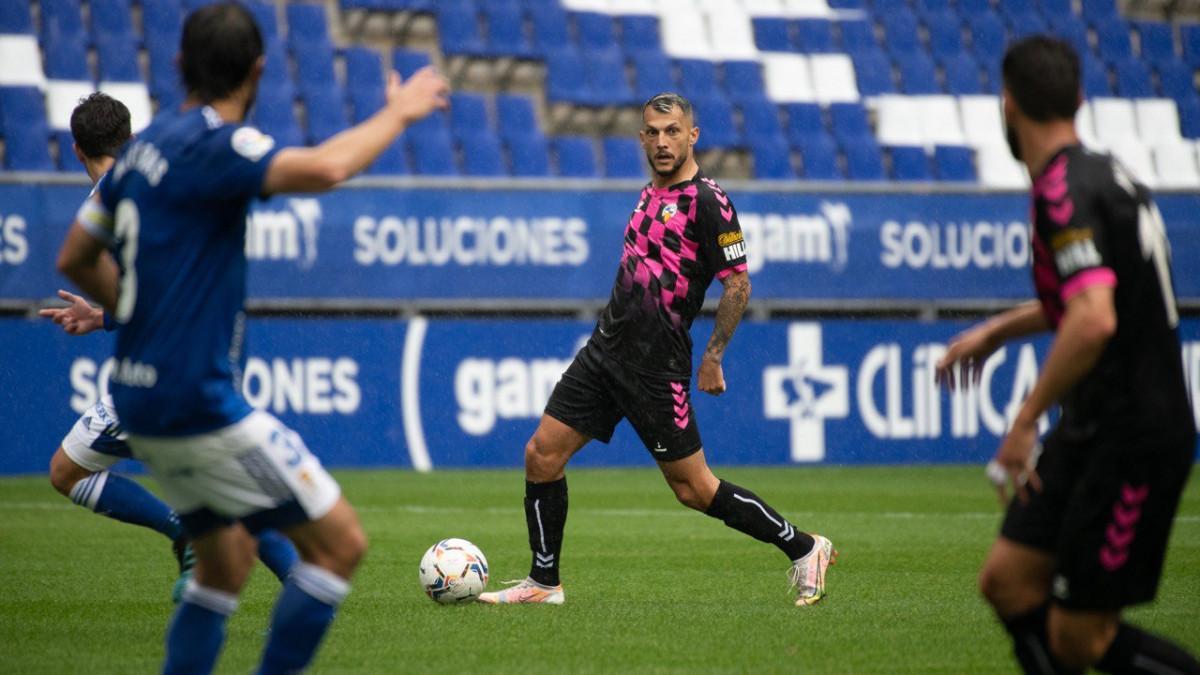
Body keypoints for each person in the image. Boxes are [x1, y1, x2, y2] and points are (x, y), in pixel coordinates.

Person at [55, 4, 449, 673]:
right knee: (340, 545)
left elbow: (74, 255)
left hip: (138, 398)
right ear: (259, 70)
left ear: (179, 66)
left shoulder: (145, 148)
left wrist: (121, 304)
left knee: (224, 562)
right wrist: (401, 113)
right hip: (195, 399)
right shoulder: (220, 146)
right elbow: (325, 168)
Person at [479, 92, 835, 608]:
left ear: (693, 135)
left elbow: (738, 285)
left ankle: (805, 548)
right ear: (642, 137)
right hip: (604, 352)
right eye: (653, 131)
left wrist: (713, 355)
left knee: (694, 489)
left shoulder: (708, 200)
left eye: (673, 131)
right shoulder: (649, 193)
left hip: (655, 366)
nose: (663, 141)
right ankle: (543, 582)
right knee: (541, 454)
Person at [936, 36, 1198, 675]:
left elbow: (1093, 318)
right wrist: (998, 332)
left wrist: (1025, 420)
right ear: (1079, 100)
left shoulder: (1062, 192)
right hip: (1097, 425)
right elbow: (1097, 295)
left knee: (1081, 637)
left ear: (1008, 106)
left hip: (1133, 434)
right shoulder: (1106, 173)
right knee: (1006, 581)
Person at [42, 92, 299, 601]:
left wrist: (112, 312)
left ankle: (188, 535)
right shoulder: (160, 186)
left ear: (76, 150)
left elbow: (146, 293)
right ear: (131, 137)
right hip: (207, 350)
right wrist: (104, 316)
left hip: (159, 371)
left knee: (67, 472)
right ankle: (299, 581)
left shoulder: (107, 204)